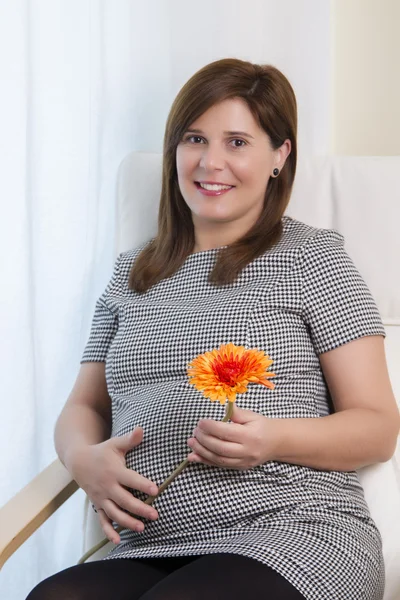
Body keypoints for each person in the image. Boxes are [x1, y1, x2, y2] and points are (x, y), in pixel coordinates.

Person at [26, 58, 399, 600]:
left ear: (279, 156)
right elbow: (84, 406)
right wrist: (84, 460)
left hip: (295, 532)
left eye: (238, 143)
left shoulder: (312, 259)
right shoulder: (133, 274)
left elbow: (378, 426)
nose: (210, 162)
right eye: (195, 138)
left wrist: (271, 439)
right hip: (153, 542)